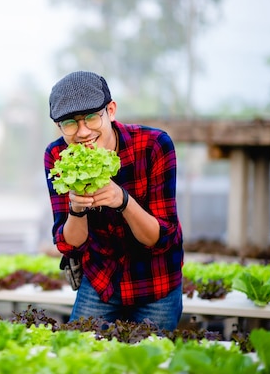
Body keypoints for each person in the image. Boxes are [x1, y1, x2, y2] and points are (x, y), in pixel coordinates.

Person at [44, 70, 184, 331]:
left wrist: (123, 200)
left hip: (156, 281)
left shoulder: (154, 145)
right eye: (70, 123)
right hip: (101, 281)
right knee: (80, 358)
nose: (83, 132)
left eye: (91, 118)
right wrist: (76, 209)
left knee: (150, 364)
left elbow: (159, 238)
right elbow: (70, 244)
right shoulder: (57, 155)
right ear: (59, 127)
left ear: (111, 110)